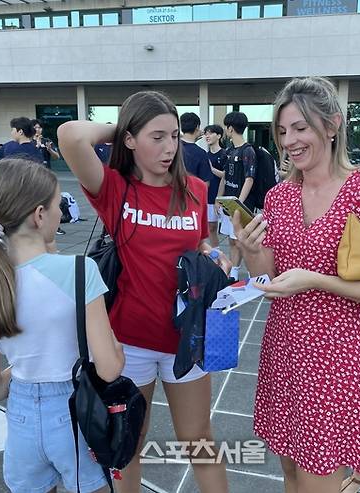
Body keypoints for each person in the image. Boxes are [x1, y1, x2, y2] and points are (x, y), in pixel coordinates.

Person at [232, 77, 360, 493]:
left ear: (333, 125)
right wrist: (250, 251)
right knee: (288, 472)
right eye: (282, 131)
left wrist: (319, 281)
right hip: (282, 350)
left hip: (331, 357)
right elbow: (271, 274)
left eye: (300, 128)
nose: (289, 141)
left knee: (317, 481)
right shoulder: (279, 196)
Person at [58, 90, 230, 493]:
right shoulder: (114, 188)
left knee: (199, 439)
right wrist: (125, 127)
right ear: (130, 141)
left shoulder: (196, 190)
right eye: (157, 137)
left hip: (186, 339)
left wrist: (212, 258)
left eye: (174, 136)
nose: (170, 147)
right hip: (128, 343)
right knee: (129, 442)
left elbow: (199, 245)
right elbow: (70, 135)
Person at [0, 158, 124, 493]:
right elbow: (109, 368)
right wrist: (118, 348)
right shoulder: (80, 271)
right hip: (73, 416)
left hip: (21, 419)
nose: (60, 212)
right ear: (40, 215)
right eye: (58, 205)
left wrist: (24, 368)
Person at [219, 111, 256, 281]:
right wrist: (219, 199)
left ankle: (253, 274)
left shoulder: (248, 151)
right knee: (233, 241)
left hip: (241, 204)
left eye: (226, 127)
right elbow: (225, 176)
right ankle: (234, 273)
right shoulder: (229, 150)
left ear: (230, 128)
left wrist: (239, 203)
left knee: (242, 241)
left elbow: (249, 179)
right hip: (228, 202)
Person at [204, 124, 227, 248]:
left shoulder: (224, 154)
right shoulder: (204, 154)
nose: (207, 136)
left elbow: (226, 175)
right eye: (206, 133)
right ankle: (216, 253)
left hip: (221, 196)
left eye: (210, 133)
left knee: (227, 231)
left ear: (218, 136)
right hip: (207, 195)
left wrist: (211, 169)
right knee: (211, 227)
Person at [180, 112, 212, 185]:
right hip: (192, 194)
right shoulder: (201, 153)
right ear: (197, 127)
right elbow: (206, 183)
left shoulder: (172, 148)